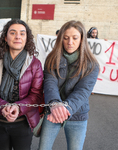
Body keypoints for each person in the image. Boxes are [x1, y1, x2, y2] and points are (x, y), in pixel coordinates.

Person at [0, 19, 44, 150]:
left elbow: (36, 95)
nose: (18, 37)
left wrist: (18, 107)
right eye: (13, 33)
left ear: (27, 38)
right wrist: (2, 106)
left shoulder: (35, 64)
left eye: (22, 33)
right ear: (5, 37)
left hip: (23, 122)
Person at [39, 20, 99, 150]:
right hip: (53, 111)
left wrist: (66, 108)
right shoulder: (52, 58)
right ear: (60, 39)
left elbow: (83, 91)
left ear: (82, 39)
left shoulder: (92, 64)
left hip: (77, 114)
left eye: (75, 38)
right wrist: (55, 104)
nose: (70, 42)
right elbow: (50, 83)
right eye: (65, 38)